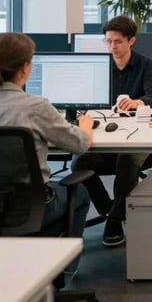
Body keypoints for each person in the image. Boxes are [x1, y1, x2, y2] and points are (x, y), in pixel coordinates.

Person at [0, 33, 94, 274]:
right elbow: (80, 144)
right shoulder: (35, 107)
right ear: (24, 68)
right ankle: (63, 274)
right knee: (80, 192)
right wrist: (85, 126)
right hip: (29, 206)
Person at [72, 15, 152, 247]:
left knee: (127, 158)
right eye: (108, 41)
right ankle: (109, 210)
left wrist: (137, 102)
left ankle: (115, 219)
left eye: (118, 41)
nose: (112, 47)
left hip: (137, 137)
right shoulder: (99, 66)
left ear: (131, 41)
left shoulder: (146, 65)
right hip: (103, 135)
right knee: (79, 164)